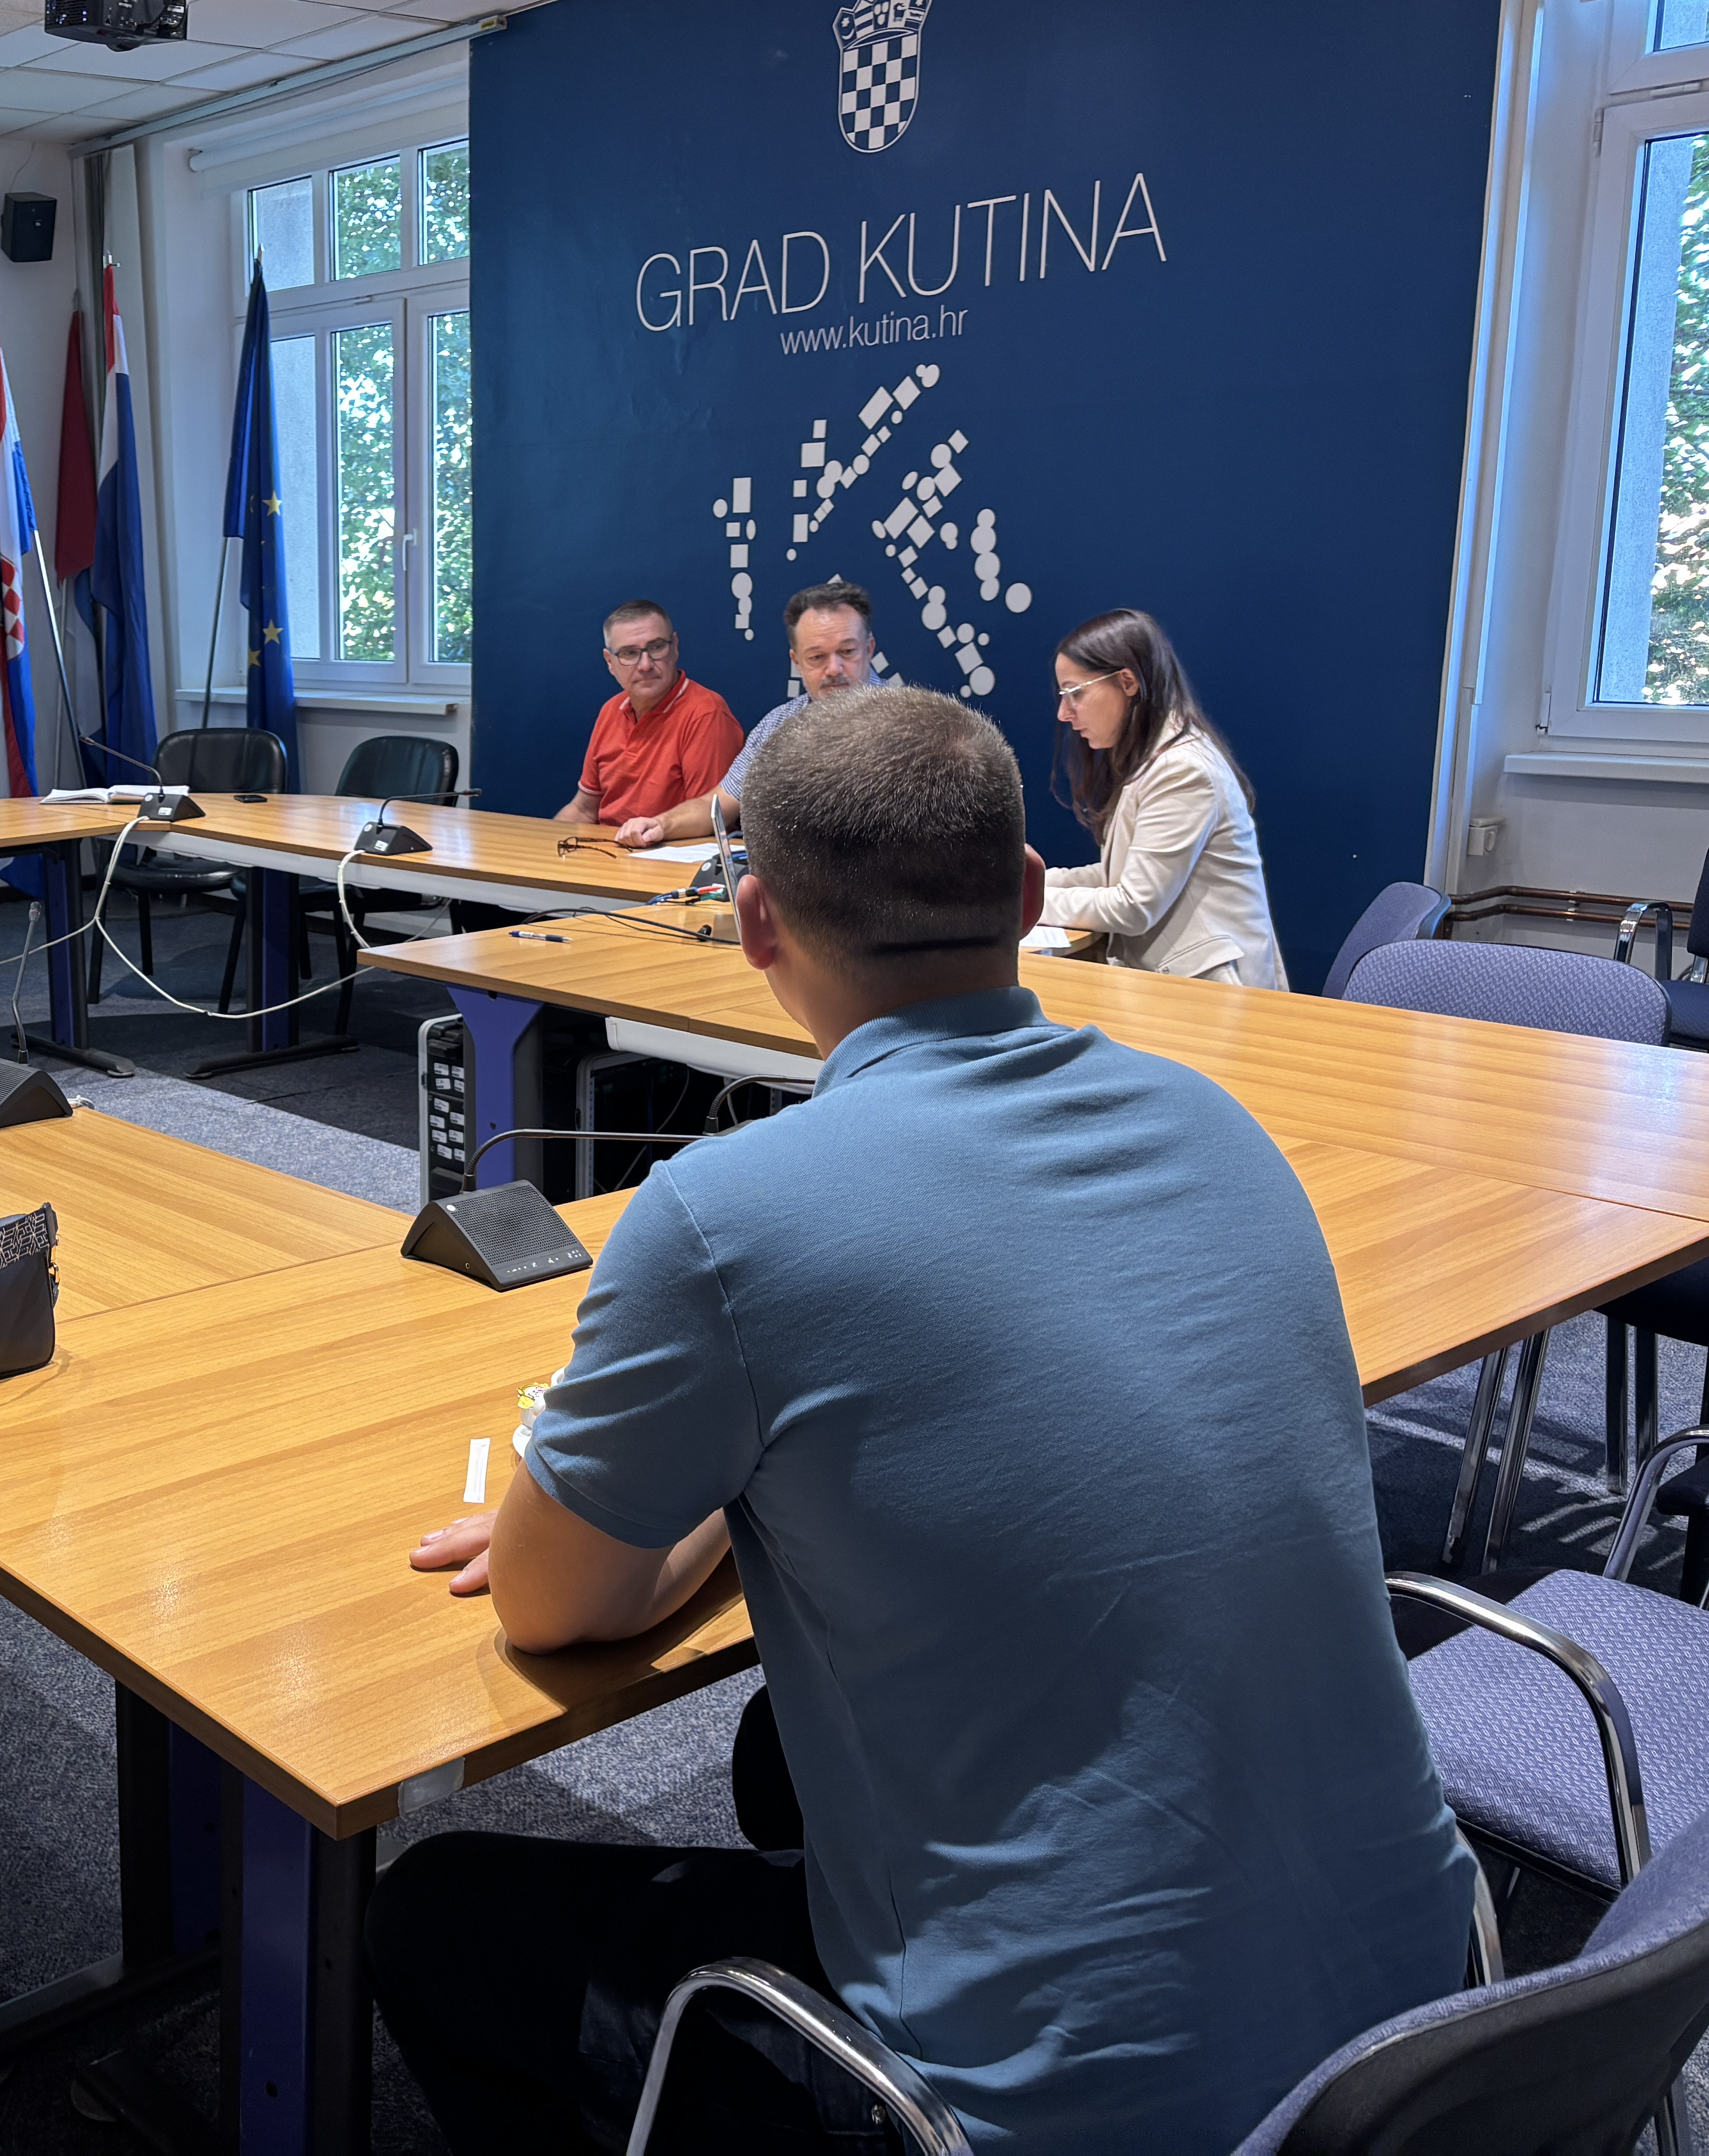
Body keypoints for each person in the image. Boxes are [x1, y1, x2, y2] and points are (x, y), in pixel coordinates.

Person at [372, 689, 1473, 2156]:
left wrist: (712, 1484)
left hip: (1049, 2113)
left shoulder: (722, 1218)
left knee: (435, 1915)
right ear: (1025, 895)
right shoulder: (1224, 1126)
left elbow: (550, 1603)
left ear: (755, 924)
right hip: (1429, 2028)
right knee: (783, 1752)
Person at [1037, 608, 1286, 987]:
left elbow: (1133, 906)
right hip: (1178, 984)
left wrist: (1021, 905)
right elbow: (1119, 876)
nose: (1064, 713)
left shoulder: (1182, 771)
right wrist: (1024, 883)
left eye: (1075, 693)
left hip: (1217, 996)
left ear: (1127, 682)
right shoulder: (1155, 758)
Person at [616, 578, 881, 845]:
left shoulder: (906, 723)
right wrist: (661, 825)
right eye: (817, 657)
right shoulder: (778, 725)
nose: (834, 669)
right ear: (797, 662)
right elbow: (717, 805)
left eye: (847, 651)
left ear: (869, 649)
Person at [551, 600, 745, 832]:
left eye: (656, 647)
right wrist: (547, 844)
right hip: (605, 847)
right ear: (610, 662)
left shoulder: (706, 713)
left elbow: (710, 820)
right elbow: (584, 809)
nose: (645, 665)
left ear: (675, 647)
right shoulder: (611, 710)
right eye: (629, 653)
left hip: (670, 849)